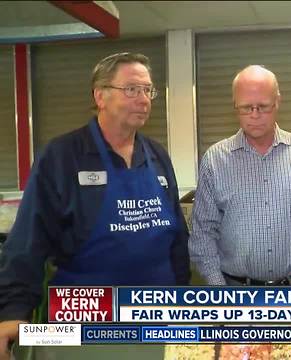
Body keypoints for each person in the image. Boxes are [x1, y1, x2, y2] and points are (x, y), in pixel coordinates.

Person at [0, 52, 190, 359]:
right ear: (100, 95)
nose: (143, 99)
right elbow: (27, 242)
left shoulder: (156, 154)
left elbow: (177, 240)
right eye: (131, 89)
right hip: (84, 321)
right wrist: (12, 311)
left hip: (158, 317)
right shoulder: (62, 156)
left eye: (147, 90)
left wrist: (182, 305)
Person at [189, 65, 291, 286]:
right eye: (246, 108)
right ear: (235, 106)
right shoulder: (215, 160)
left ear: (277, 102)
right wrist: (219, 289)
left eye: (263, 106)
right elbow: (203, 233)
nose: (255, 115)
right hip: (236, 293)